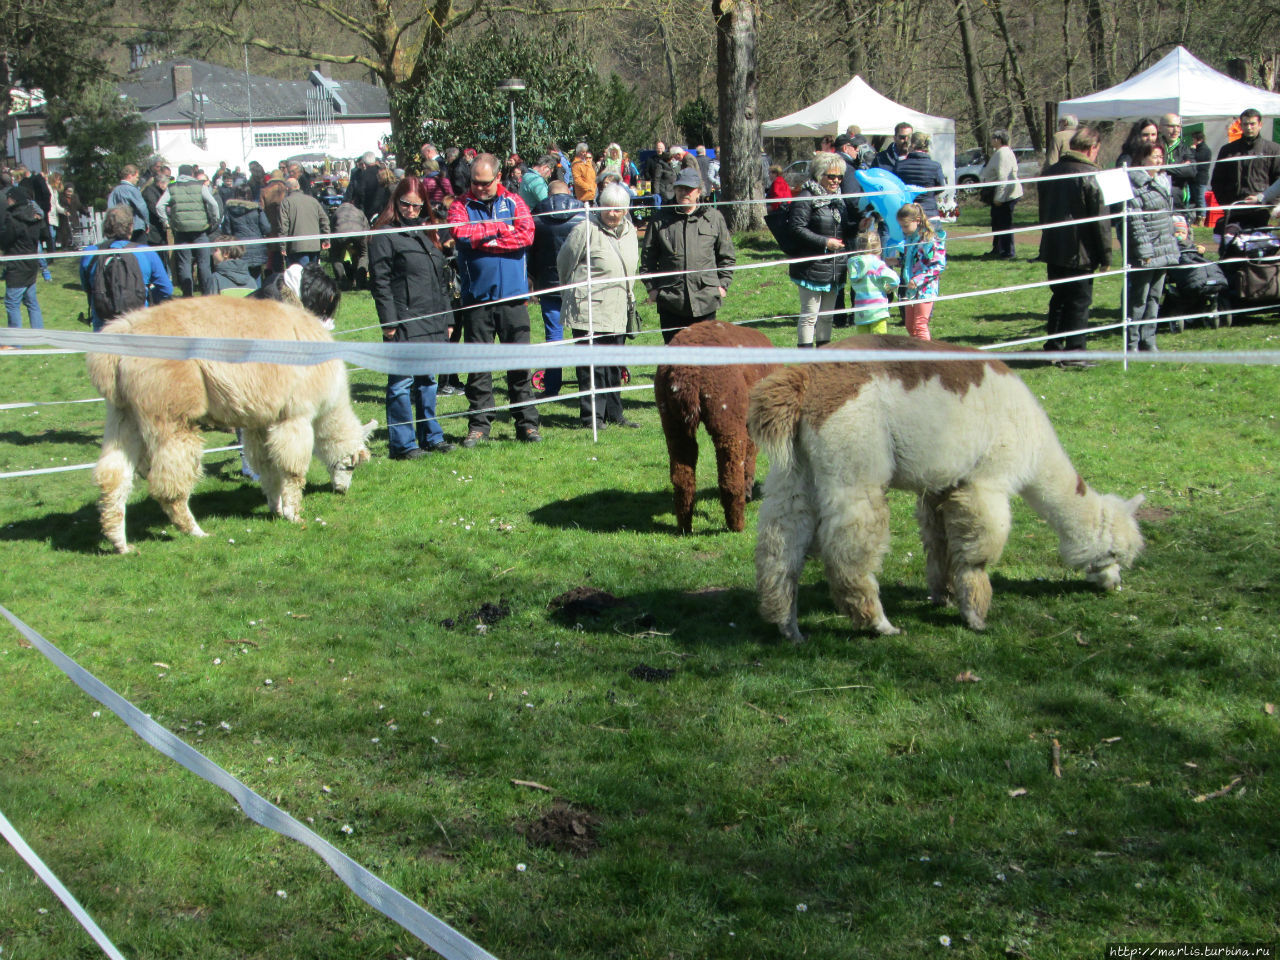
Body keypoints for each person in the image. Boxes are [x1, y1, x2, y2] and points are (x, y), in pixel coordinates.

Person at [445, 152, 542, 446]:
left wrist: (485, 241)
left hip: (513, 298)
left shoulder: (515, 202)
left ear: (498, 177)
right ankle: (479, 425)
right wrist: (500, 228)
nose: (479, 188)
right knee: (478, 366)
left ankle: (527, 424)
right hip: (476, 300)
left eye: (485, 183)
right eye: (475, 182)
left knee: (519, 364)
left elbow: (526, 235)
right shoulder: (460, 205)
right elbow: (461, 233)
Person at [369, 175, 457, 458]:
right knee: (402, 382)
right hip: (404, 318)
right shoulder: (383, 234)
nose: (410, 211)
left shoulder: (427, 232)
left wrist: (449, 318)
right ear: (396, 202)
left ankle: (431, 435)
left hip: (433, 317)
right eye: (406, 205)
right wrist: (389, 323)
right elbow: (380, 284)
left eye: (417, 206)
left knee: (428, 380)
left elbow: (441, 277)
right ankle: (403, 444)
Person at [556, 183, 641, 430]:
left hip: (618, 308)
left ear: (625, 210)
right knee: (593, 367)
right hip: (589, 309)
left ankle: (616, 413)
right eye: (607, 208)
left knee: (614, 364)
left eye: (618, 209)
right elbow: (564, 262)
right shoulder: (585, 229)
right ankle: (592, 418)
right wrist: (571, 291)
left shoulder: (630, 232)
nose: (612, 213)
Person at [1037, 126, 1112, 365]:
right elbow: (1100, 221)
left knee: (1059, 299)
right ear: (1092, 148)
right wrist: (1106, 255)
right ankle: (1075, 353)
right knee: (1079, 302)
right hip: (1081, 249)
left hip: (1053, 245)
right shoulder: (1091, 174)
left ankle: (1054, 347)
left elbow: (1043, 212)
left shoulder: (1050, 172)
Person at [640, 167, 736, 343]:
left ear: (698, 191)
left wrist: (722, 286)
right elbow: (648, 259)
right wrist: (653, 289)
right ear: (675, 189)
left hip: (705, 300)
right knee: (675, 359)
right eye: (680, 188)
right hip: (671, 301)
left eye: (689, 189)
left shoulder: (714, 218)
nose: (684, 192)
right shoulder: (660, 220)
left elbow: (727, 256)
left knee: (706, 358)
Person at [529, 180, 586, 398]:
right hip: (578, 283)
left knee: (554, 337)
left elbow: (531, 254)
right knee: (582, 335)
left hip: (548, 284)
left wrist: (534, 278)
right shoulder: (585, 214)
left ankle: (552, 387)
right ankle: (586, 386)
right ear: (569, 193)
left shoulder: (536, 218)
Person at [787, 152, 849, 348]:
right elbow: (796, 229)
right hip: (810, 267)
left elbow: (843, 228)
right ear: (819, 174)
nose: (836, 180)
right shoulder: (806, 196)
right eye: (831, 176)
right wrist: (824, 242)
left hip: (834, 268)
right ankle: (806, 363)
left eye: (839, 176)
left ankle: (823, 359)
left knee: (827, 317)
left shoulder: (839, 199)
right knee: (809, 316)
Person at [78, 205, 173, 330]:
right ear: (130, 227)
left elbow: (88, 288)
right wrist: (144, 295)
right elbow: (166, 289)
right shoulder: (145, 252)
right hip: (137, 323)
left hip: (103, 327)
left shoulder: (90, 253)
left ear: (106, 226)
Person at [1122, 142, 1178, 353]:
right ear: (1142, 159)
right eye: (1154, 156)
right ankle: (1132, 342)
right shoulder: (1134, 184)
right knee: (1139, 299)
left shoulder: (1163, 181)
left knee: (1155, 297)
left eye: (1160, 157)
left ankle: (1149, 339)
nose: (1158, 160)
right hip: (1146, 251)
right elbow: (1135, 222)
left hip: (1164, 248)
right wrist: (1144, 252)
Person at [156, 164, 221, 296]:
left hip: (181, 230)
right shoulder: (200, 186)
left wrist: (166, 221)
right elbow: (213, 204)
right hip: (200, 229)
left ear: (179, 174)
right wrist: (214, 219)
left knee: (184, 263)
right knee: (204, 263)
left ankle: (187, 294)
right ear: (192, 174)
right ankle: (207, 293)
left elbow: (159, 206)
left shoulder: (172, 187)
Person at [1212, 108, 1280, 230]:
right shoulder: (1227, 150)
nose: (1249, 128)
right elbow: (1217, 181)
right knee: (1233, 246)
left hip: (1261, 210)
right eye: (1245, 124)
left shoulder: (1273, 150)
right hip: (1234, 209)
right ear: (1241, 125)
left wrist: (1270, 205)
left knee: (1258, 246)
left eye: (1252, 124)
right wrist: (1227, 205)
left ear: (1260, 125)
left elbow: (1278, 181)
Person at [893, 202, 946, 341]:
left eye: (905, 226)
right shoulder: (909, 238)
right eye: (901, 226)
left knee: (920, 325)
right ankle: (917, 354)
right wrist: (896, 261)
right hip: (910, 289)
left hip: (926, 289)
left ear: (917, 220)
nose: (903, 229)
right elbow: (912, 261)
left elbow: (938, 266)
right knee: (910, 326)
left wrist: (918, 280)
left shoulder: (931, 239)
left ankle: (927, 359)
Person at [2, 184, 45, 332]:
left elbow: (5, 240)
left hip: (17, 265)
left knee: (11, 303)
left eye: (8, 198)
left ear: (13, 200)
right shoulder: (33, 218)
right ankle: (39, 334)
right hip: (31, 264)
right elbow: (44, 234)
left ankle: (15, 340)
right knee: (31, 301)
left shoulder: (14, 220)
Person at [981, 129, 1024, 259]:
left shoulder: (1003, 153)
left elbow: (1003, 176)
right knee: (997, 222)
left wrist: (999, 197)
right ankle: (997, 248)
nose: (991, 140)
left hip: (1005, 194)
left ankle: (1008, 251)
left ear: (999, 140)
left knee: (1004, 223)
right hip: (1001, 192)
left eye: (993, 138)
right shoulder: (1000, 152)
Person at [846, 232, 899, 335]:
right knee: (878, 341)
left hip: (860, 307)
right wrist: (888, 287)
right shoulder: (877, 264)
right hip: (877, 309)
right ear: (878, 247)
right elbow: (894, 279)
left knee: (864, 341)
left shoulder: (854, 264)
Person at [220, 183, 271, 279]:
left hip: (240, 246)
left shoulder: (230, 210)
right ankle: (256, 293)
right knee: (256, 276)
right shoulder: (257, 209)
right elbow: (266, 227)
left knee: (241, 275)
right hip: (257, 245)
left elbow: (227, 230)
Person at [278, 177, 331, 267]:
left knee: (302, 276)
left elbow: (283, 226)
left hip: (297, 246)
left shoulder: (286, 202)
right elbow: (324, 220)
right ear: (298, 186)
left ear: (287, 189)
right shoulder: (313, 201)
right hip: (314, 245)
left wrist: (282, 246)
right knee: (314, 274)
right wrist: (326, 239)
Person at [894, 131, 946, 223]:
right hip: (930, 212)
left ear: (911, 144)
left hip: (908, 213)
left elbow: (896, 188)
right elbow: (941, 187)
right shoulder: (935, 166)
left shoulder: (899, 165)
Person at [1157, 114, 1198, 219]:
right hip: (1157, 202)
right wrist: (1179, 167)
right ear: (1160, 127)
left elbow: (1191, 171)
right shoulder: (1155, 147)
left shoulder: (1185, 149)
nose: (1175, 130)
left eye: (1178, 126)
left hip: (1179, 205)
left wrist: (1164, 167)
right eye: (1171, 126)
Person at [107, 164, 151, 243]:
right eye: (137, 177)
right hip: (136, 227)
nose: (137, 180)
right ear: (130, 176)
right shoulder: (132, 190)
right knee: (140, 251)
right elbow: (142, 207)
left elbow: (110, 208)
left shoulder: (115, 191)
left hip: (120, 228)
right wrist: (147, 223)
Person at [54, 184, 86, 250]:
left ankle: (76, 245)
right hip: (64, 218)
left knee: (75, 232)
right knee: (65, 233)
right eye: (68, 191)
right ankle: (65, 246)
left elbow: (79, 206)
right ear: (65, 191)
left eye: (71, 192)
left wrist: (85, 212)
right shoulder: (60, 197)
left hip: (73, 217)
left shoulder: (75, 197)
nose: (70, 193)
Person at [646, 141, 677, 207]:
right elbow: (646, 172)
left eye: (661, 148)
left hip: (669, 188)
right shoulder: (650, 159)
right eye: (658, 148)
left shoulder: (670, 160)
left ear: (664, 148)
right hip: (656, 186)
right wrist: (651, 180)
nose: (659, 150)